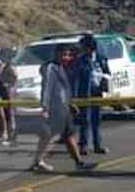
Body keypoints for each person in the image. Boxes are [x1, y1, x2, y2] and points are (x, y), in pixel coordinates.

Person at [32, 45, 98, 173]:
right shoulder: (51, 67)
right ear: (56, 54)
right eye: (64, 55)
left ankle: (78, 163)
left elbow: (63, 90)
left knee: (67, 135)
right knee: (51, 136)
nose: (66, 58)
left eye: (69, 55)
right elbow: (46, 88)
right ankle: (38, 161)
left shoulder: (62, 68)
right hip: (54, 108)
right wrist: (45, 108)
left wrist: (69, 103)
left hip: (63, 107)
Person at [74, 34, 111, 155]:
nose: (81, 49)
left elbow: (107, 72)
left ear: (90, 47)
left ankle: (97, 145)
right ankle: (83, 146)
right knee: (85, 120)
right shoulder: (80, 60)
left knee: (96, 120)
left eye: (83, 46)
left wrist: (104, 80)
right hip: (85, 93)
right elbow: (76, 78)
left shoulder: (101, 58)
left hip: (97, 92)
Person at [0, 46, 19, 145]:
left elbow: (14, 78)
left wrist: (9, 85)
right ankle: (10, 137)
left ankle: (12, 138)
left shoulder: (10, 66)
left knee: (10, 115)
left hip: (9, 92)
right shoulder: (6, 66)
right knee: (8, 115)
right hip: (6, 91)